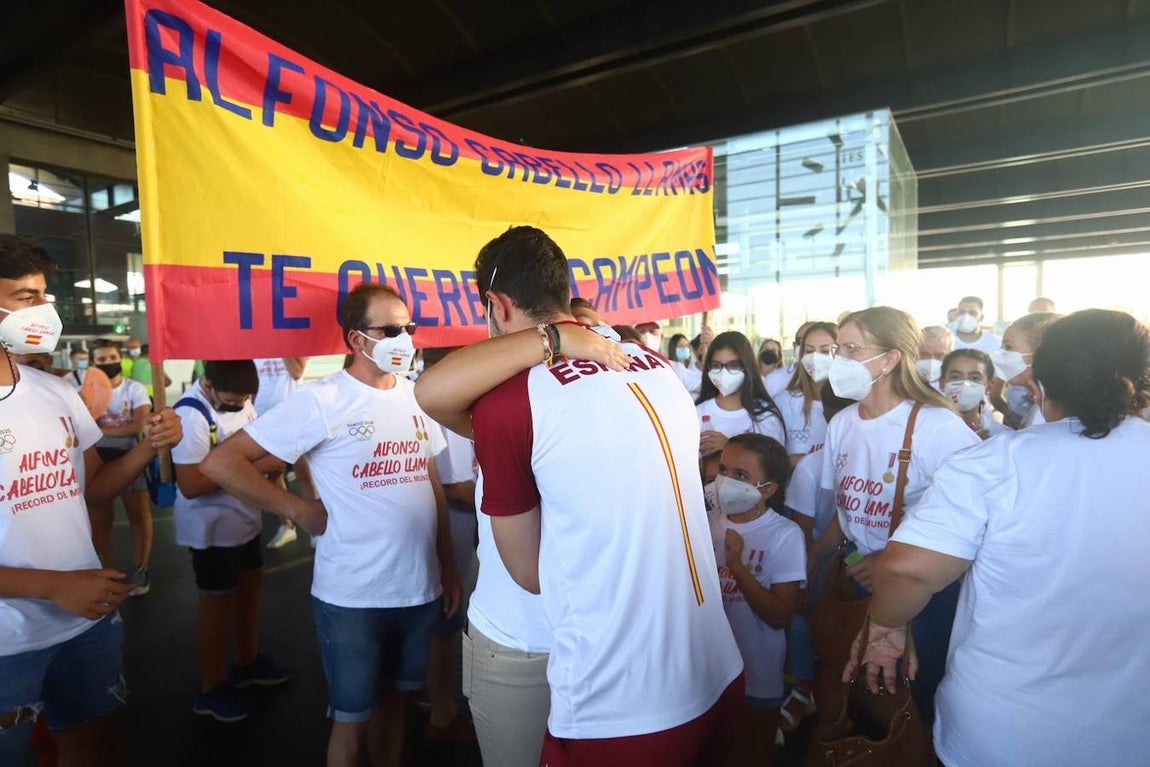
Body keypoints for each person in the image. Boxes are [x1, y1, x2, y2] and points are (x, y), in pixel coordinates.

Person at [415, 226, 744, 766]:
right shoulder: (654, 367)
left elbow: (530, 573)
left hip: (581, 663)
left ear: (495, 304)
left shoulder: (509, 400)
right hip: (699, 664)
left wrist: (549, 343)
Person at [845, 309, 1150, 767]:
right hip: (1129, 734)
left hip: (1000, 731)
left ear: (1038, 382)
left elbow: (908, 568)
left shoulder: (996, 463)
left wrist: (886, 628)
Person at [201, 283, 461, 767]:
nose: (403, 338)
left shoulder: (418, 395)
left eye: (408, 328)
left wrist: (446, 564)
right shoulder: (323, 400)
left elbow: (431, 486)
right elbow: (222, 463)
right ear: (356, 340)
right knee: (351, 719)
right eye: (390, 329)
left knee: (395, 705)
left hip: (418, 588)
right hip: (352, 596)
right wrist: (297, 510)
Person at [0, 233, 182, 767]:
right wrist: (53, 586)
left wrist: (149, 447)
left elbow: (94, 490)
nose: (45, 311)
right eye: (25, 297)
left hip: (86, 620)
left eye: (44, 294)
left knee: (93, 745)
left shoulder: (56, 392)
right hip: (9, 641)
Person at [807, 306, 980, 726]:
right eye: (837, 349)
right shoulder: (842, 423)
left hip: (922, 599)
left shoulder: (938, 427)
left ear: (889, 360)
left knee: (907, 708)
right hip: (855, 584)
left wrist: (886, 563)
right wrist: (815, 568)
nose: (838, 361)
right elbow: (845, 519)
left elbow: (973, 526)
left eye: (852, 349)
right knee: (859, 700)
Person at [172, 360, 292, 722]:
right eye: (233, 399)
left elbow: (257, 446)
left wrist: (265, 467)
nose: (240, 405)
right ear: (207, 385)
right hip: (211, 529)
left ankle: (246, 660)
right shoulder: (190, 415)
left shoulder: (242, 400)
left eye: (245, 399)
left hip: (244, 519)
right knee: (216, 603)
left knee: (249, 589)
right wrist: (253, 469)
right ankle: (210, 688)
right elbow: (191, 485)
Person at [710, 434, 805, 767]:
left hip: (757, 674)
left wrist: (738, 568)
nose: (725, 482)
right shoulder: (706, 523)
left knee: (750, 753)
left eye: (740, 476)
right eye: (723, 470)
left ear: (767, 489)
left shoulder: (784, 535)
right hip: (709, 675)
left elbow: (780, 615)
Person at [89, 339, 154, 595]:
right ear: (93, 363)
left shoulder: (134, 388)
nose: (108, 363)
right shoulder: (84, 389)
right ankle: (104, 572)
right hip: (96, 459)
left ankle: (141, 569)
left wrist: (98, 429)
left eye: (112, 358)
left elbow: (137, 426)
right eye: (101, 360)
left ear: (120, 358)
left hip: (130, 456)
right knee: (100, 520)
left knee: (138, 514)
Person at [697, 331, 786, 457]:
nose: (723, 373)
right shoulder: (696, 414)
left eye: (733, 366)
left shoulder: (765, 416)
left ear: (747, 367)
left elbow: (775, 467)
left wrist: (730, 447)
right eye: (716, 366)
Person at [252, 356, 310, 550]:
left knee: (305, 472)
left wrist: (279, 346)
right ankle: (286, 526)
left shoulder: (291, 339)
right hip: (263, 413)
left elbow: (297, 372)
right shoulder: (252, 341)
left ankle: (315, 529)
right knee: (274, 472)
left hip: (293, 414)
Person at [988, 311, 1061, 430]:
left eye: (1008, 347)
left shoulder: (1049, 413)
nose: (1001, 353)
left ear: (1039, 352)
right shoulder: (1040, 405)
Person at [776, 322, 836, 464]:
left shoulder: (856, 406)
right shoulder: (783, 403)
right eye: (809, 351)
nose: (815, 358)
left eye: (825, 351)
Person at [940, 349, 1007, 440]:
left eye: (974, 378)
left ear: (989, 386)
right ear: (942, 383)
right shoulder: (926, 430)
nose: (964, 384)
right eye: (956, 377)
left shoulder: (1002, 436)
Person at [765, 323, 812, 397]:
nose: (807, 347)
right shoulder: (774, 379)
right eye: (801, 341)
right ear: (794, 346)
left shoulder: (833, 380)